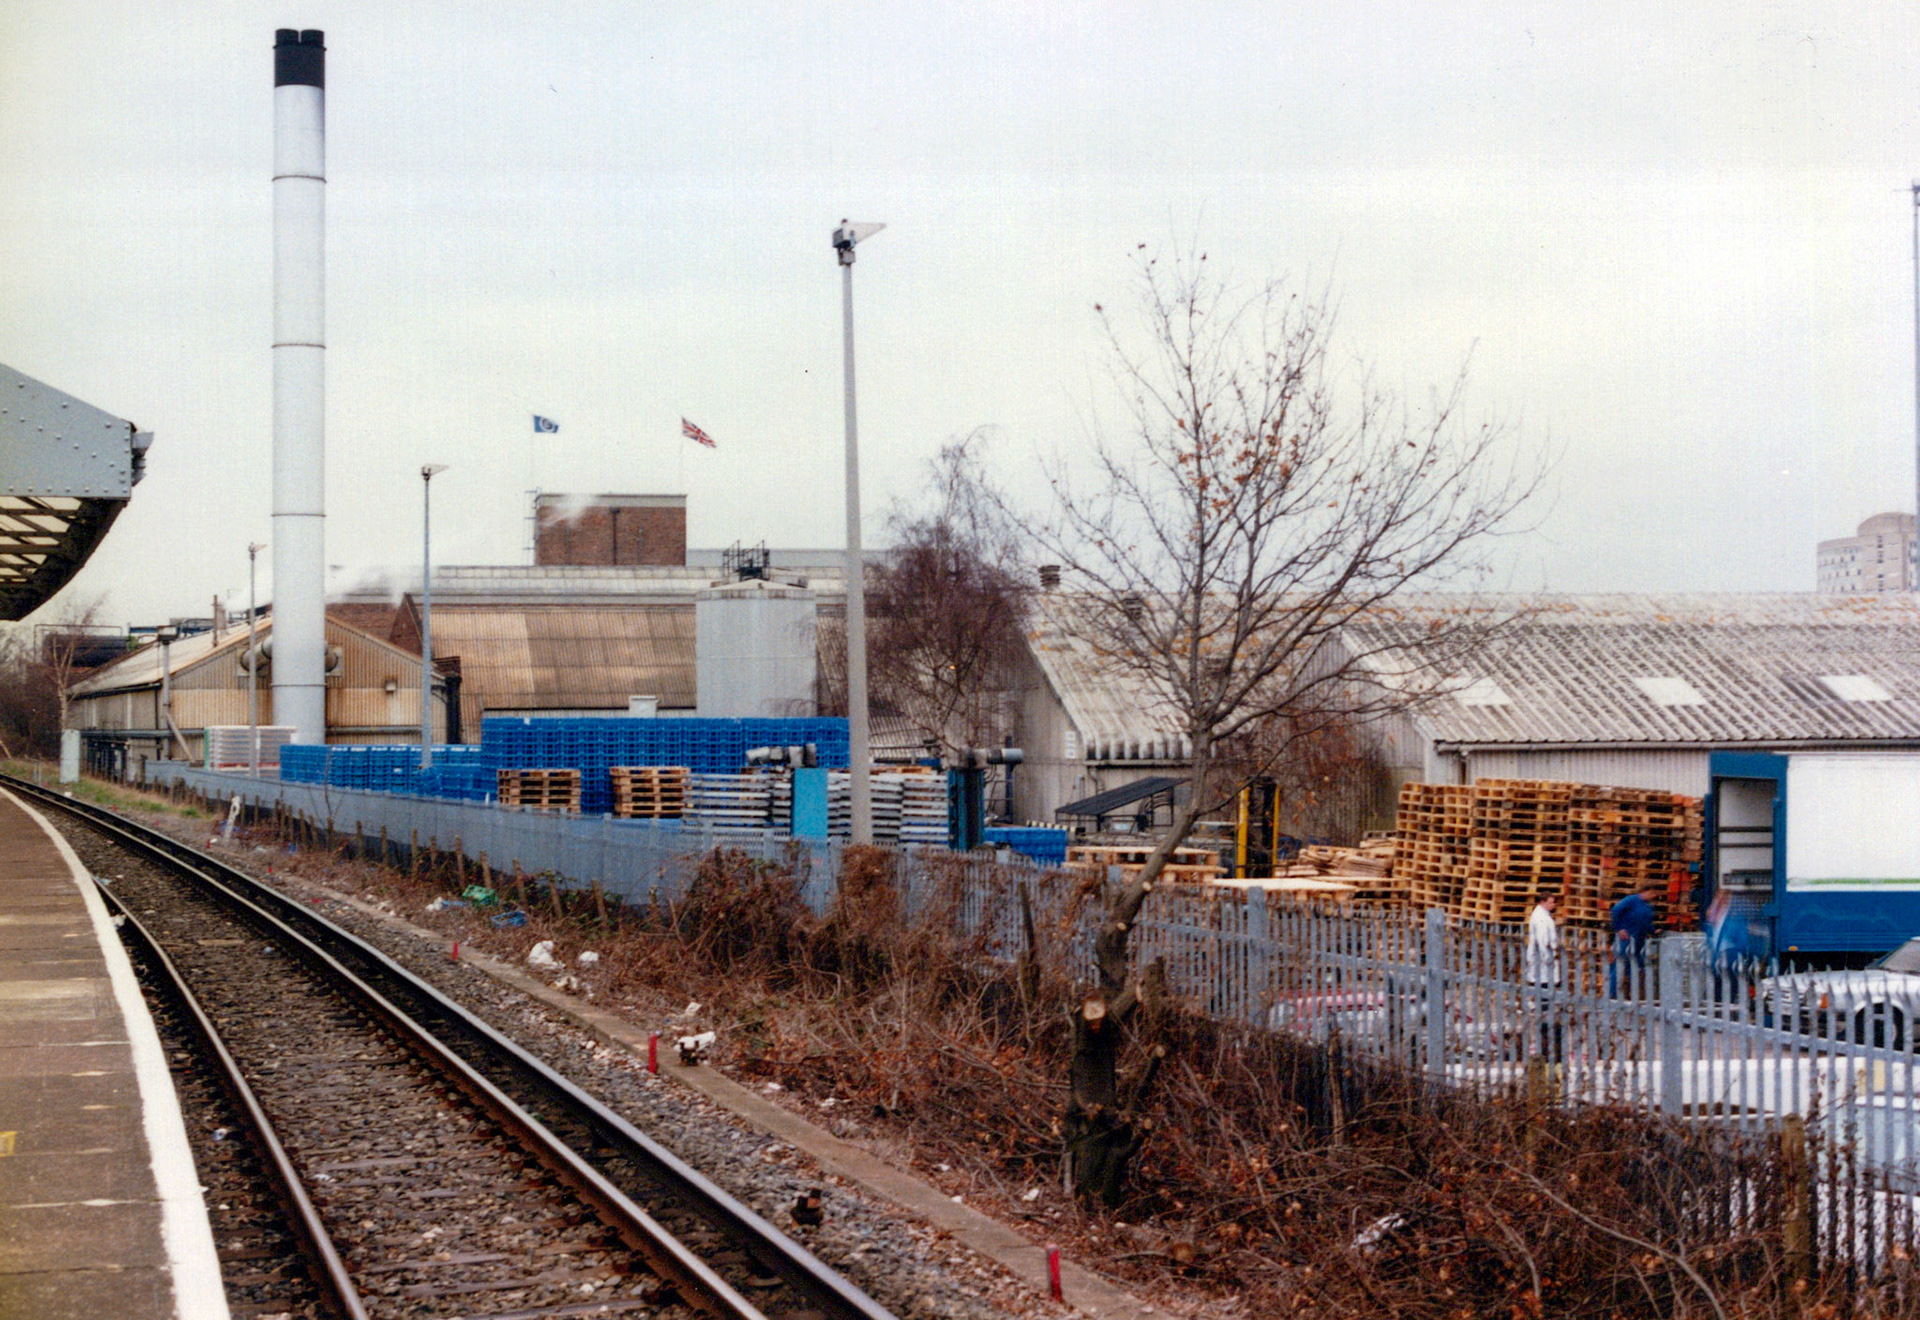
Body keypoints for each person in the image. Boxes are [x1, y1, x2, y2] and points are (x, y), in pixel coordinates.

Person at [1524, 890, 1564, 1061]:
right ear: (1543, 902)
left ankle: (1545, 1015)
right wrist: (1549, 958)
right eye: (1551, 902)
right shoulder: (1541, 918)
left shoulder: (1543, 915)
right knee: (1545, 993)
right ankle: (1545, 1022)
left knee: (1545, 993)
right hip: (1543, 965)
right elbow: (1542, 941)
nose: (1553, 905)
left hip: (1543, 964)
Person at [1608, 880, 1663, 998]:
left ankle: (1632, 996)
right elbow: (1615, 911)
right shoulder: (1631, 900)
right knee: (1619, 965)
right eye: (1653, 893)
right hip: (1626, 939)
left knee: (1635, 968)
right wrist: (1619, 928)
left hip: (1639, 941)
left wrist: (1653, 930)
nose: (1654, 896)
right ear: (1645, 891)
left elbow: (1646, 923)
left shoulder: (1649, 907)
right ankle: (1612, 994)